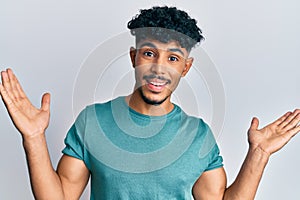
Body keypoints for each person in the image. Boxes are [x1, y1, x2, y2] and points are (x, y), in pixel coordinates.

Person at [0, 6, 299, 200]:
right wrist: (34, 138)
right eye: (148, 53)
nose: (159, 68)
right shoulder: (93, 121)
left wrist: (259, 154)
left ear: (185, 67)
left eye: (172, 58)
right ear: (134, 58)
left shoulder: (198, 135)